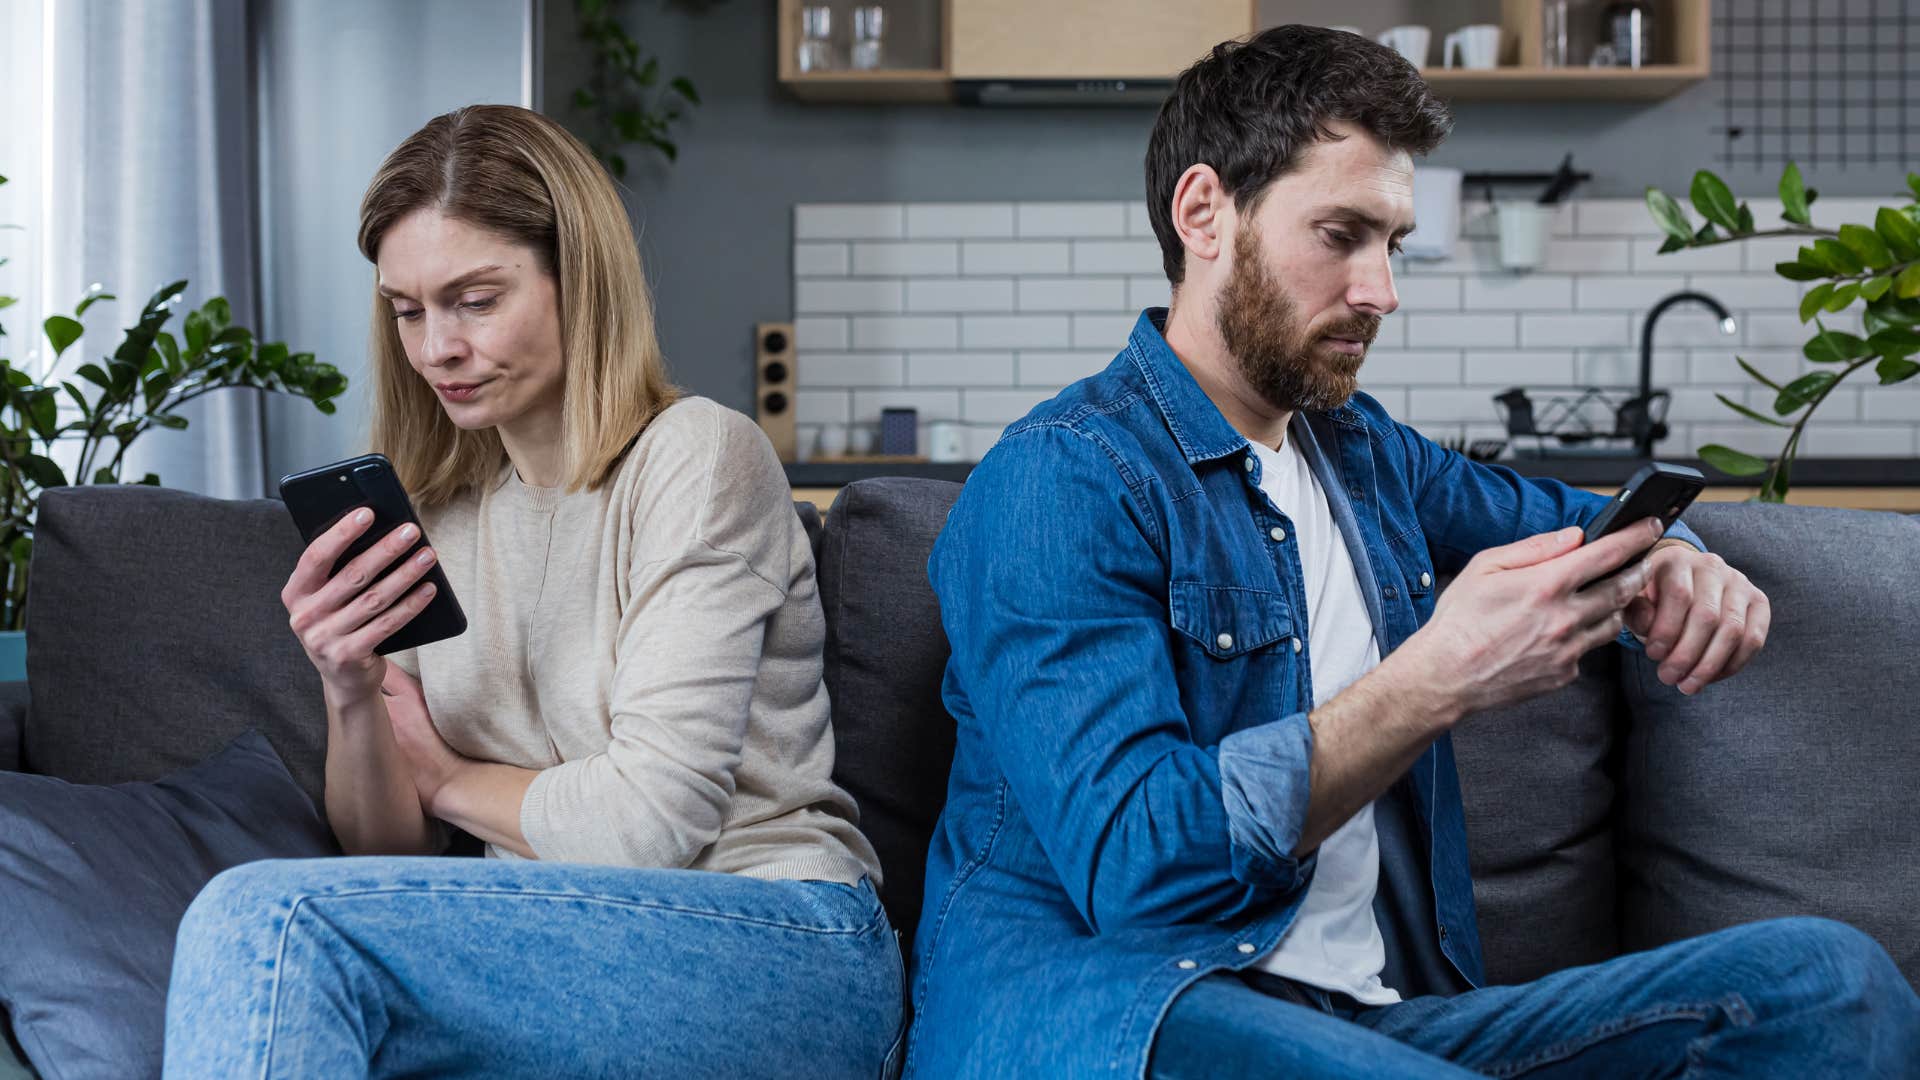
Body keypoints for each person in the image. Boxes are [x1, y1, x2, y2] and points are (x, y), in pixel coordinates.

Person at [906, 25, 1919, 1079]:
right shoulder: (1060, 478)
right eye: (1341, 234)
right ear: (1204, 212)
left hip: (1379, 1020)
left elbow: (1563, 516)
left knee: (1823, 983)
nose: (1381, 290)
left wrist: (1672, 551)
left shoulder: (1362, 455)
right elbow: (1139, 864)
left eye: (1391, 242)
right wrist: (1437, 680)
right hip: (1128, 1017)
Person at [162, 105, 903, 1079]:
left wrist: (451, 778)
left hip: (777, 933)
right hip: (552, 940)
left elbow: (649, 827)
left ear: (576, 284)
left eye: (475, 300)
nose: (437, 349)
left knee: (272, 915)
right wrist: (350, 691)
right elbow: (398, 851)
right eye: (408, 308)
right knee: (291, 930)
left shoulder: (696, 458)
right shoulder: (439, 505)